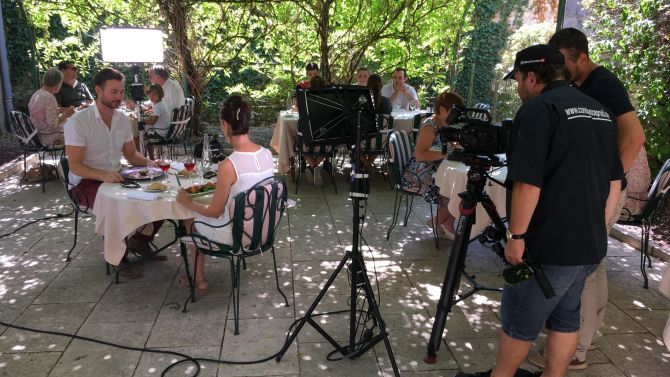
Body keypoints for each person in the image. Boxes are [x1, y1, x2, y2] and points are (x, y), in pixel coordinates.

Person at [457, 44, 623, 377]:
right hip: (588, 244)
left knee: (519, 323)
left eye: (518, 78)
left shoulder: (538, 111)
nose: (518, 86)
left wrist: (516, 236)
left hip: (548, 247)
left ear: (532, 77)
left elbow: (528, 184)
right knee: (565, 318)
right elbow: (615, 182)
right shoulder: (599, 111)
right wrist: (598, 229)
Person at [522, 28, 651, 371]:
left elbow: (635, 137)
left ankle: (576, 348)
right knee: (593, 262)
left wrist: (607, 180)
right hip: (602, 182)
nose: (557, 69)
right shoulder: (580, 86)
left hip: (606, 185)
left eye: (562, 61)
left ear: (581, 57)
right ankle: (588, 336)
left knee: (586, 266)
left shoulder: (602, 83)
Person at [64, 67, 165, 279]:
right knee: (117, 203)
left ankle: (141, 241)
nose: (119, 97)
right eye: (114, 92)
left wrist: (152, 164)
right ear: (98, 90)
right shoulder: (79, 122)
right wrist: (103, 175)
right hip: (86, 182)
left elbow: (131, 156)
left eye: (121, 92)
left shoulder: (121, 119)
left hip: (117, 175)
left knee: (161, 190)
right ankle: (118, 256)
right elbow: (75, 165)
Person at [176, 95, 274, 295]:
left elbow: (214, 212)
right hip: (263, 231)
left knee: (189, 218)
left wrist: (188, 202)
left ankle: (198, 279)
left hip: (237, 236)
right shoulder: (267, 154)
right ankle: (198, 276)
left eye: (221, 123)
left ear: (226, 125)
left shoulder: (229, 165)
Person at [401, 91, 461, 239]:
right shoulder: (430, 126)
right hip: (417, 176)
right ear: (442, 110)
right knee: (457, 188)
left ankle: (443, 222)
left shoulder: (443, 125)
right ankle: (440, 222)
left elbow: (442, 147)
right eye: (454, 113)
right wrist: (447, 153)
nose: (457, 117)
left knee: (461, 184)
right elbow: (420, 155)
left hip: (434, 171)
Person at [28, 68, 75, 146]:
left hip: (38, 134)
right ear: (57, 84)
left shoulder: (36, 94)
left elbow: (41, 113)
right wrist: (67, 114)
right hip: (50, 138)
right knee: (79, 130)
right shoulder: (50, 97)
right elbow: (53, 124)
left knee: (71, 124)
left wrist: (57, 110)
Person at [143, 84, 171, 159]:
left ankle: (148, 158)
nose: (152, 97)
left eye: (155, 94)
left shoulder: (158, 106)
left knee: (141, 136)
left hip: (160, 134)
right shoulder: (160, 103)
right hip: (165, 131)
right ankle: (151, 157)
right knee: (145, 131)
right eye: (150, 94)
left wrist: (142, 120)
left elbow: (152, 122)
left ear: (160, 94)